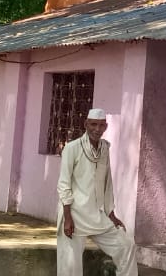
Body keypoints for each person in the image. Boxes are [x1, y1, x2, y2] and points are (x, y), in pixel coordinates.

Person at [57, 108, 137, 276]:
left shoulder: (104, 149)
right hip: (74, 214)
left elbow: (107, 184)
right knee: (70, 267)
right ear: (86, 124)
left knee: (126, 246)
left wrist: (111, 214)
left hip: (96, 214)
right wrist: (67, 217)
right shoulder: (72, 148)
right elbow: (63, 184)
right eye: (93, 124)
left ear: (106, 127)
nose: (97, 129)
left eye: (101, 125)